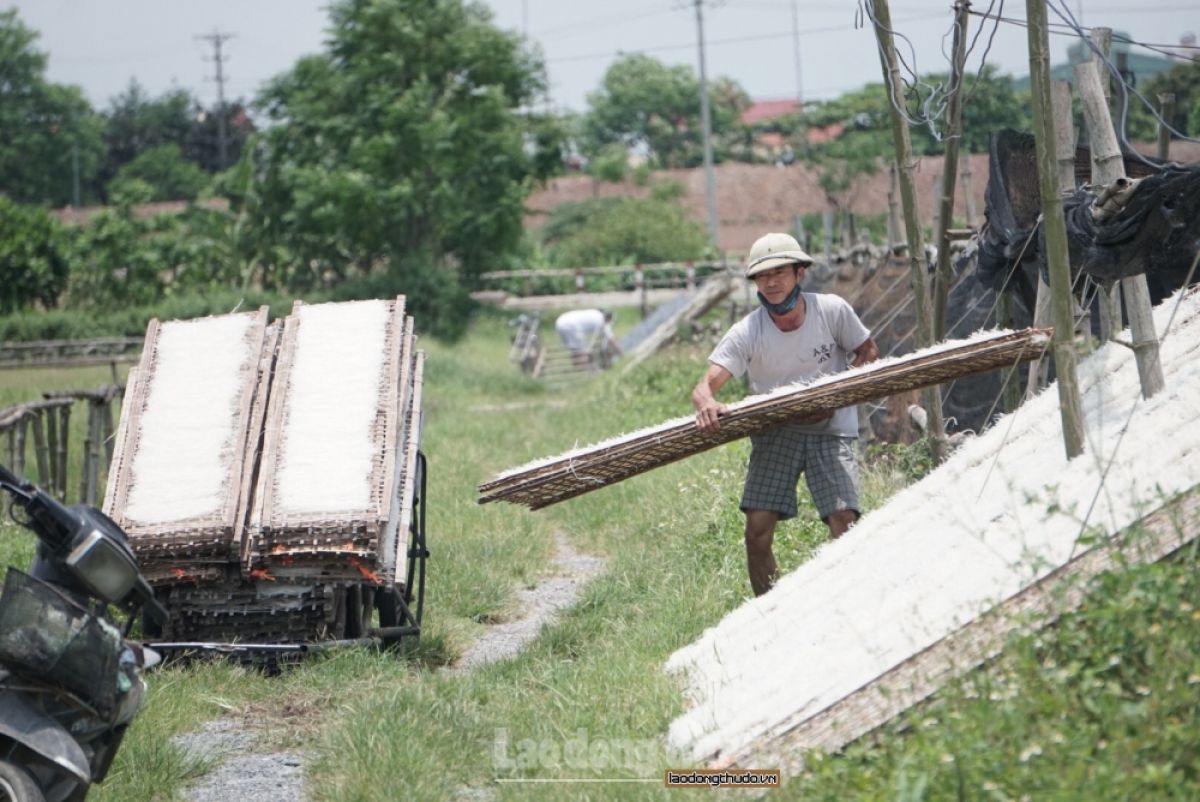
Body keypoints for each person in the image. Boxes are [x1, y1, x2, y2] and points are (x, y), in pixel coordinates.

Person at [691, 232, 879, 596]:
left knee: (845, 519)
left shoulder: (832, 310)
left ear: (799, 273)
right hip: (776, 429)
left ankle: (852, 598)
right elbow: (704, 388)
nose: (772, 282)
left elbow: (867, 351)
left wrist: (837, 393)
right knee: (757, 532)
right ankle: (768, 610)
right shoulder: (747, 331)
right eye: (763, 276)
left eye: (780, 272)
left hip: (832, 428)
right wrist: (708, 404)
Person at [554, 308, 622, 368]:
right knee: (582, 351)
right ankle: (582, 369)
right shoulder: (602, 320)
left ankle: (576, 369)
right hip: (571, 325)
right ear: (608, 318)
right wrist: (621, 354)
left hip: (560, 322)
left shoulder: (595, 313)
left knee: (574, 349)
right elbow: (611, 340)